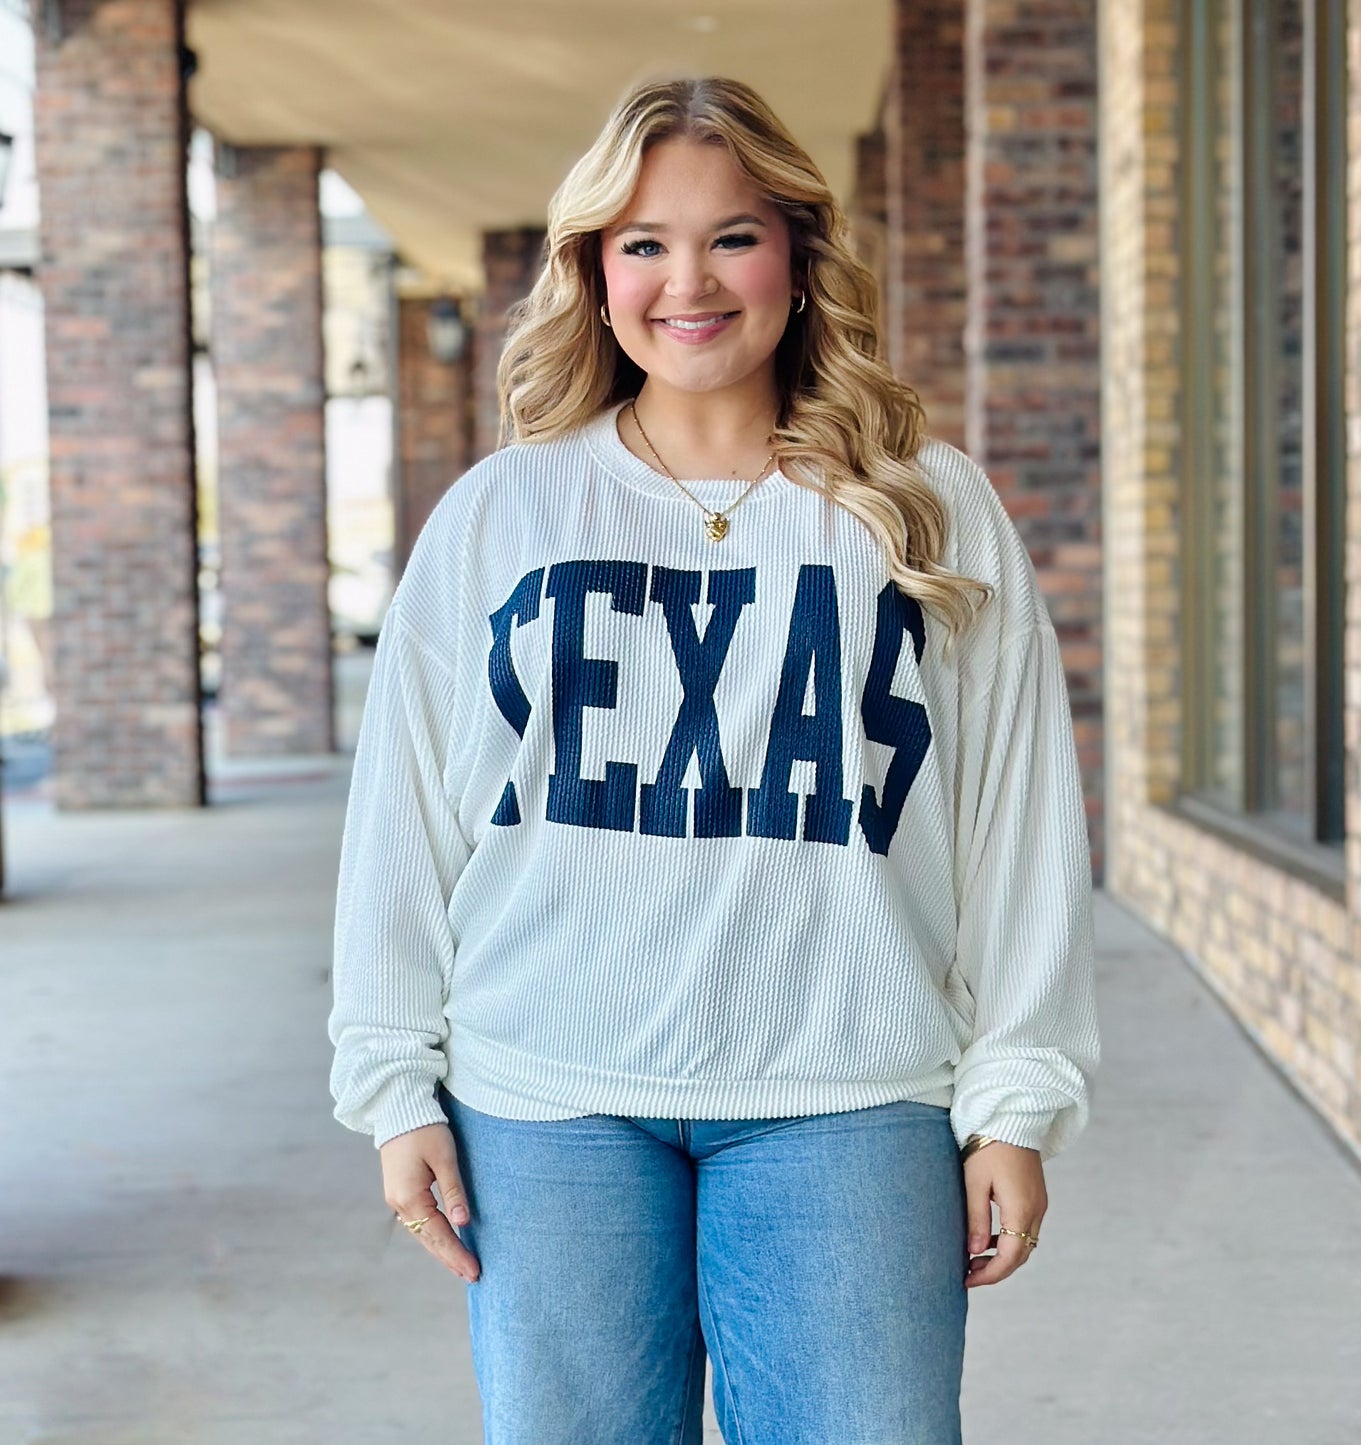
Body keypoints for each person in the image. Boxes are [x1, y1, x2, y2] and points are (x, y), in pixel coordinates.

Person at [328, 74, 1099, 1445]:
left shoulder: (925, 508)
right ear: (594, 272)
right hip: (545, 1098)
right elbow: (402, 822)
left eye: (732, 235)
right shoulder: (503, 514)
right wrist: (393, 1085)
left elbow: (1016, 821)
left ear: (798, 257)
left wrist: (1015, 1097)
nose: (688, 280)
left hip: (847, 1092)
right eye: (643, 243)